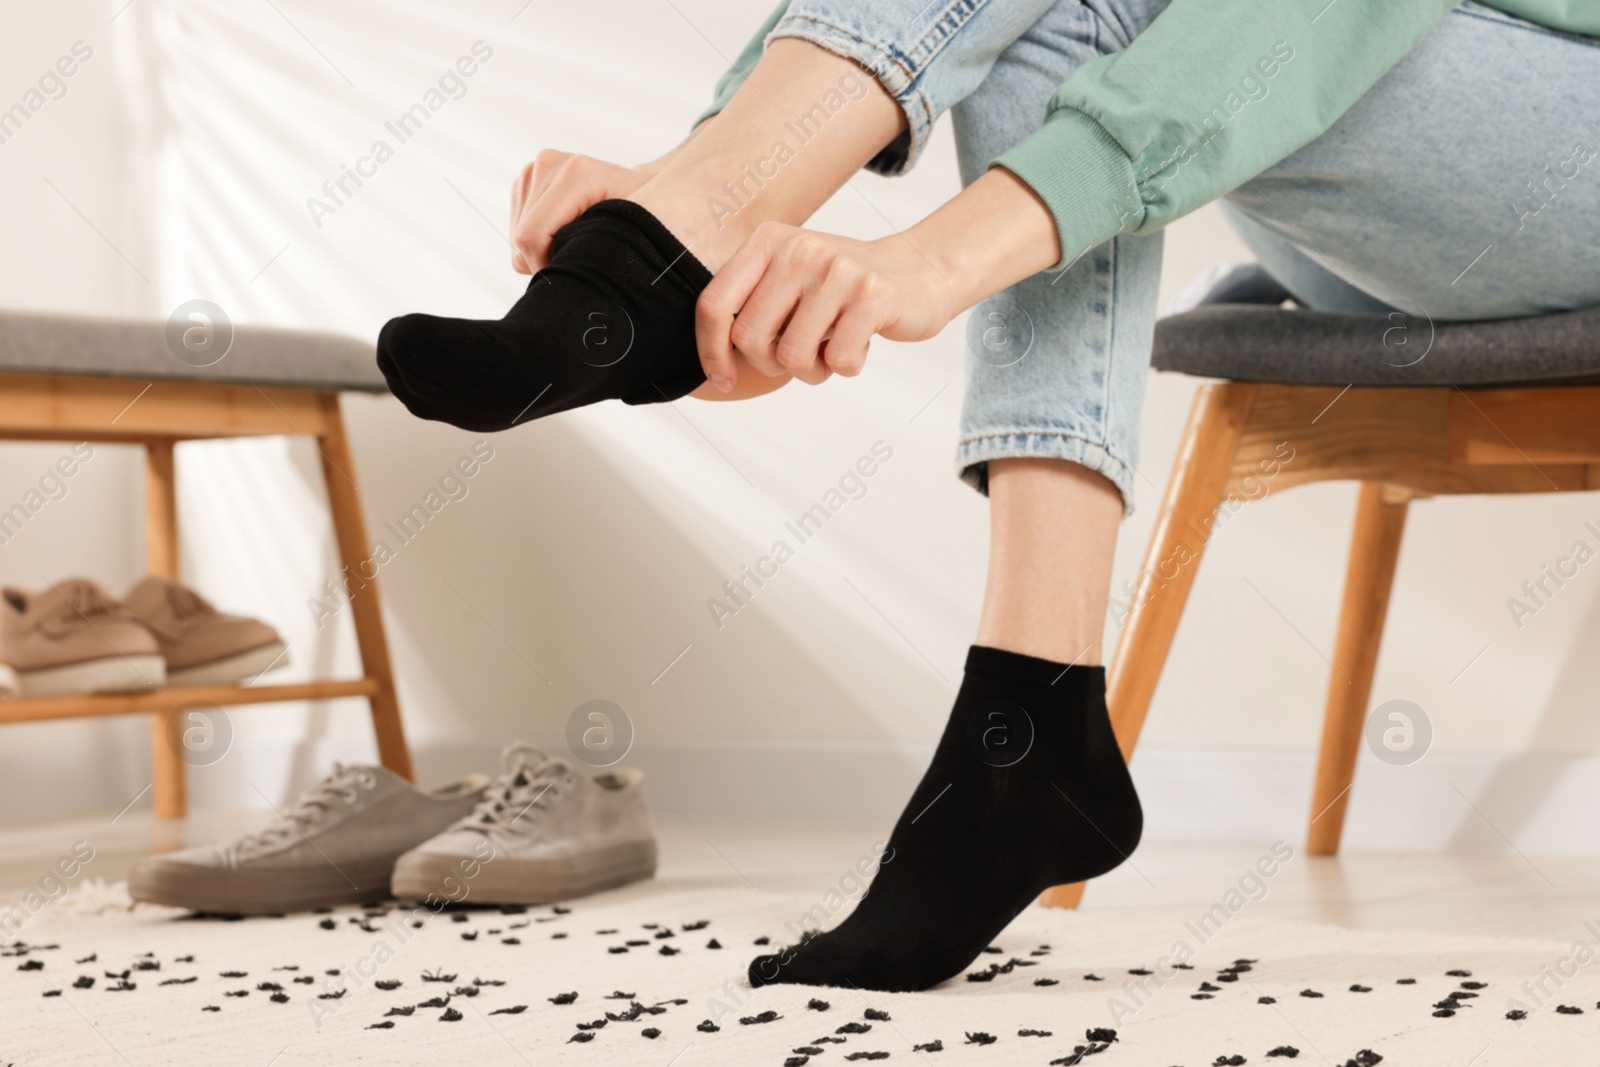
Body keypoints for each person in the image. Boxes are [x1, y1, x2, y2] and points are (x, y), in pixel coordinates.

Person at [377, 0, 1600, 992]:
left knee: (1101, 8)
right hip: (1363, 193)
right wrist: (735, 162)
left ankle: (671, 255)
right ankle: (1027, 717)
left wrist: (927, 262)